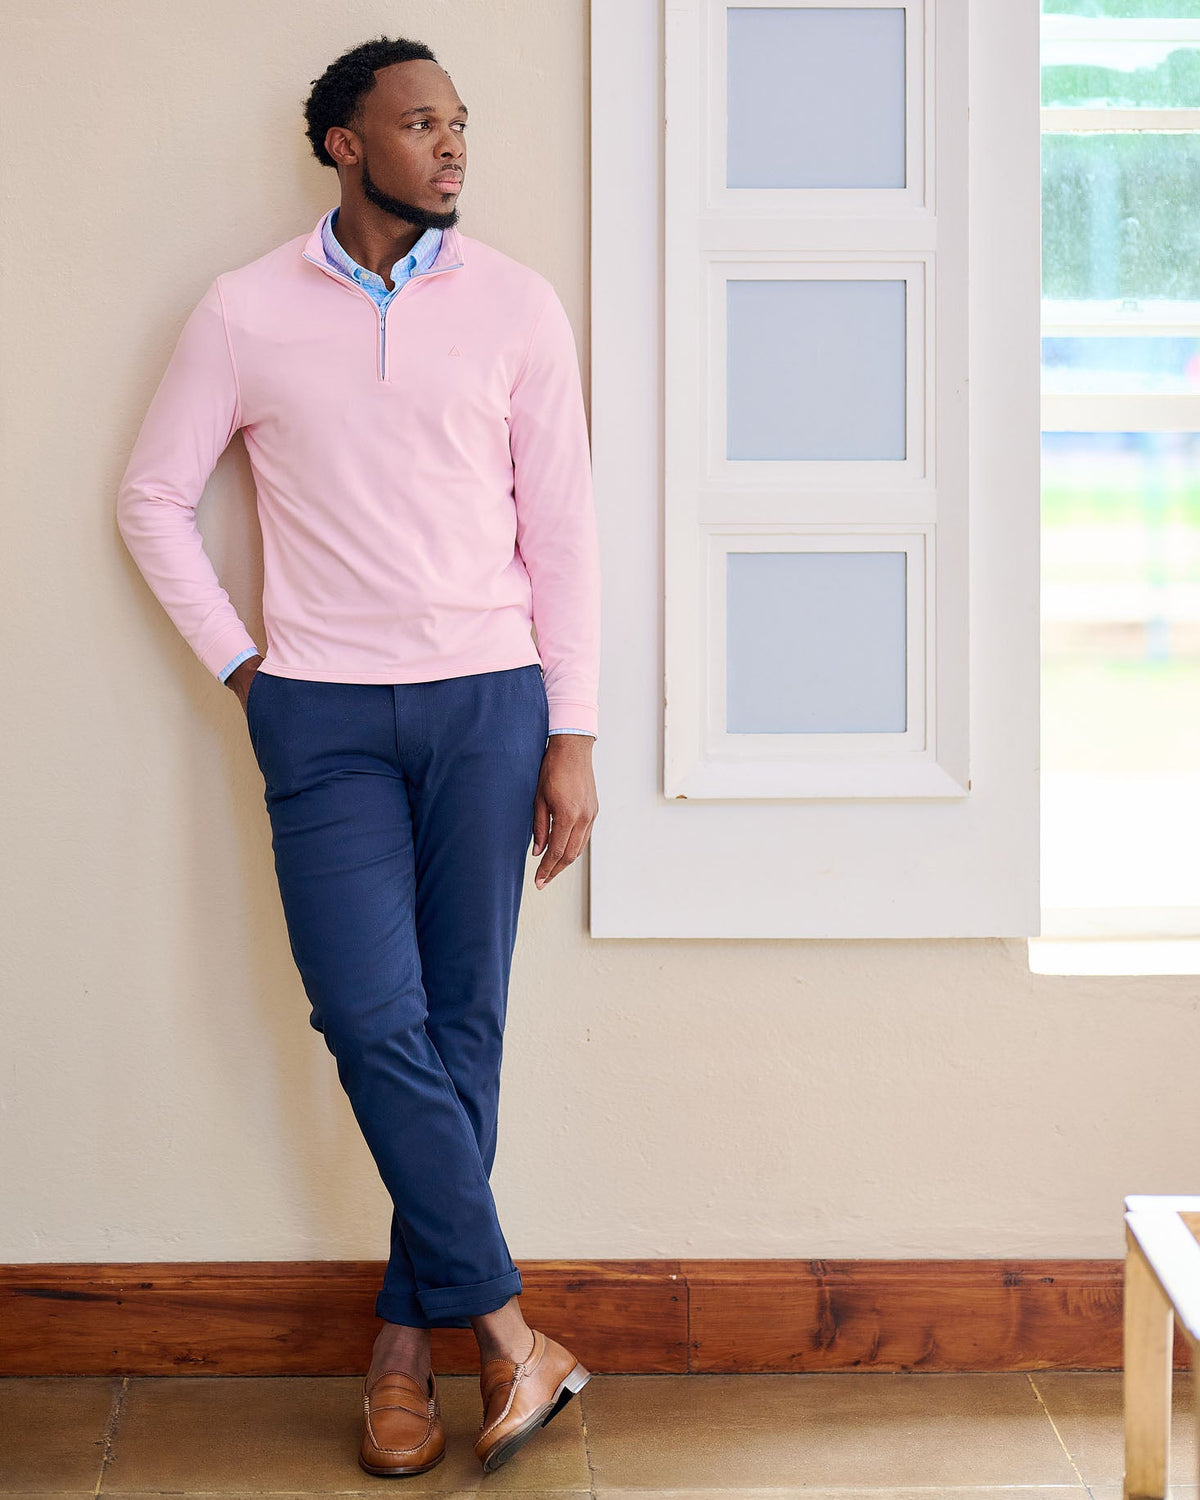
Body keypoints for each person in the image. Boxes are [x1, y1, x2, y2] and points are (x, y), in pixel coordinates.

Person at [115, 33, 600, 1477]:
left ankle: (403, 1349)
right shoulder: (244, 311)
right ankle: (508, 1334)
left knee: (463, 1029)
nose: (452, 148)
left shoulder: (515, 304)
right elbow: (151, 499)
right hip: (320, 716)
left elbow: (563, 534)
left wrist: (570, 732)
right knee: (367, 1016)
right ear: (344, 143)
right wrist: (247, 673)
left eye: (460, 123)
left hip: (488, 702)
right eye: (419, 124)